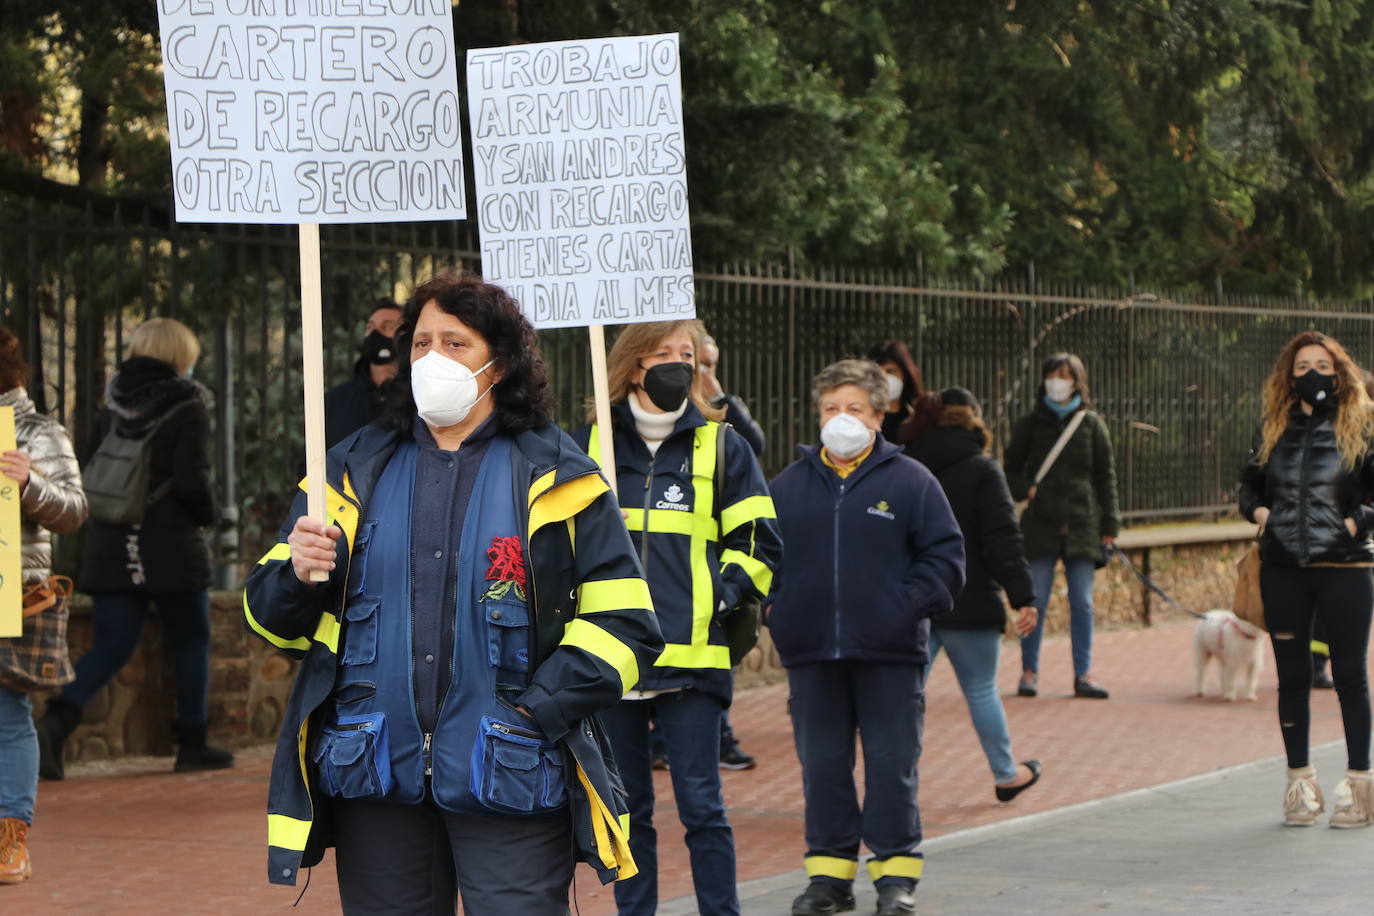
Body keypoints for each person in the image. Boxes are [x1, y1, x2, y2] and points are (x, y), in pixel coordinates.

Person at [243, 274, 661, 912]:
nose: (432, 357)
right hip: (374, 773)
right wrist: (295, 576)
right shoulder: (346, 472)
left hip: (514, 773)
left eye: (456, 343)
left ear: (500, 363)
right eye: (420, 343)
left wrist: (539, 710)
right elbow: (274, 626)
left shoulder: (561, 475)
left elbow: (626, 623)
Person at [573, 319, 782, 916]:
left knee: (702, 808)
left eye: (685, 354)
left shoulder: (723, 445)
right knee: (626, 812)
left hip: (693, 662)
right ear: (632, 364)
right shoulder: (591, 446)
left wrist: (717, 594)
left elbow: (762, 544)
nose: (676, 364)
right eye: (662, 352)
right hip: (611, 662)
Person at [766, 359, 964, 916]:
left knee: (890, 769)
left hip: (890, 657)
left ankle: (895, 880)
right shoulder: (788, 486)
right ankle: (828, 880)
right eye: (831, 409)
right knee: (823, 768)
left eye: (853, 409)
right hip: (812, 656)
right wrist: (776, 610)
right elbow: (762, 559)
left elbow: (945, 559)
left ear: (879, 415)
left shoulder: (912, 482)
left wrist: (905, 607)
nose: (840, 419)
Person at [38, 318, 233, 779]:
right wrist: (209, 517)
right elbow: (192, 480)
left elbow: (89, 468)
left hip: (112, 540)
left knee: (112, 643)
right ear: (180, 356)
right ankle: (192, 742)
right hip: (169, 544)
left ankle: (56, 724)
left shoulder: (112, 404)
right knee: (190, 638)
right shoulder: (188, 406)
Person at [1238, 330, 1374, 828]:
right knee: (1292, 679)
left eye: (1321, 363)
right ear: (1288, 377)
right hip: (1283, 569)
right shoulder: (1273, 426)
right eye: (1301, 366)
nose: (1311, 373)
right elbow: (1250, 481)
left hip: (1346, 567)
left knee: (1351, 677)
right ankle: (1300, 785)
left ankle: (1359, 787)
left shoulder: (1362, 423)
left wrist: (1358, 520)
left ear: (1339, 370)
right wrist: (1257, 511)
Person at [910, 388, 1042, 802]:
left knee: (906, 696)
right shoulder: (983, 470)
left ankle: (896, 780)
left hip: (917, 600)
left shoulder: (907, 466)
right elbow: (1002, 537)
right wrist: (1023, 596)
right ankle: (1006, 774)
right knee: (982, 691)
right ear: (975, 421)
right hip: (971, 599)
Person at [0, 328, 86, 884]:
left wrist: (29, 482)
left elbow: (75, 510)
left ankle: (11, 840)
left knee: (8, 716)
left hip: (15, 591)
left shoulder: (35, 430)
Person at [1004, 353, 1119, 700]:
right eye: (1053, 375)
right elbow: (1009, 470)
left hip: (1082, 524)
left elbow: (1105, 477)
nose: (1058, 381)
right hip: (1040, 525)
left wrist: (1110, 524)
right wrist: (1027, 489)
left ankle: (1083, 673)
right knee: (1034, 600)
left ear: (1077, 382)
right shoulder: (1029, 424)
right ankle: (1029, 671)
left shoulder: (1091, 424)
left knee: (1082, 602)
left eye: (1065, 376)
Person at [324, 298, 403, 448]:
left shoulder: (418, 397)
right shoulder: (335, 400)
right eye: (370, 327)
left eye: (386, 326)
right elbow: (311, 461)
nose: (374, 333)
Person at [866, 340, 940, 447]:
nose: (884, 378)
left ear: (905, 373)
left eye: (891, 371)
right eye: (877, 372)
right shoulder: (862, 417)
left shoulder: (920, 414)